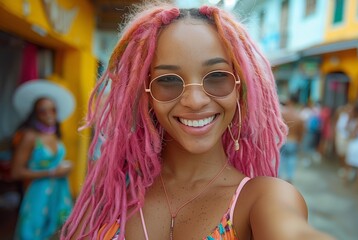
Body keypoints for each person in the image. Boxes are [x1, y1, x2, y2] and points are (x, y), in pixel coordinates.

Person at [62, 4, 334, 240]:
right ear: (146, 94)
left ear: (240, 90)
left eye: (216, 77)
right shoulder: (111, 194)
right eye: (168, 80)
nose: (194, 100)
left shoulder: (262, 199)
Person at [11, 80, 75, 240]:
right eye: (42, 111)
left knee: (59, 233)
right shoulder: (30, 136)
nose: (49, 114)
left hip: (59, 193)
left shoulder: (54, 133)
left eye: (52, 110)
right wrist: (52, 172)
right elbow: (16, 172)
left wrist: (64, 168)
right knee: (33, 234)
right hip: (38, 196)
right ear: (35, 114)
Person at [279, 96, 304, 183]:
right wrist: (299, 141)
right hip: (293, 140)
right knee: (291, 159)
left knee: (281, 158)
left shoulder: (282, 114)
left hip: (283, 139)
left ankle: (278, 176)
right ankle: (289, 178)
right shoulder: (299, 116)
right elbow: (301, 132)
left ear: (289, 101)